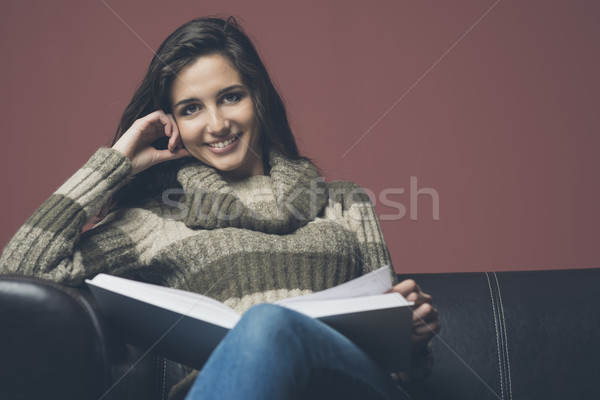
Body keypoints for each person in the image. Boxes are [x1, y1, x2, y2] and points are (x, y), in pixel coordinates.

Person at [0, 17, 441, 400]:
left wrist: (413, 337)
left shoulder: (346, 202)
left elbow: (403, 371)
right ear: (170, 124)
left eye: (230, 96)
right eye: (192, 108)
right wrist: (114, 163)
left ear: (258, 98)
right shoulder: (154, 220)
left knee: (269, 323)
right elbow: (18, 274)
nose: (217, 124)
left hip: (351, 392)